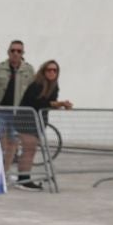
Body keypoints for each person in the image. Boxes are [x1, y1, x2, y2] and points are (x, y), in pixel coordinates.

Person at [9, 60, 72, 189]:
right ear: (43, 71)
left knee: (30, 150)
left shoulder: (54, 85)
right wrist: (59, 104)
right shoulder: (37, 85)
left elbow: (49, 103)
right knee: (29, 149)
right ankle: (24, 180)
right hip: (26, 120)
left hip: (38, 122)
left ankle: (23, 177)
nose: (52, 72)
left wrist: (61, 105)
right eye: (49, 70)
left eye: (55, 70)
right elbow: (39, 103)